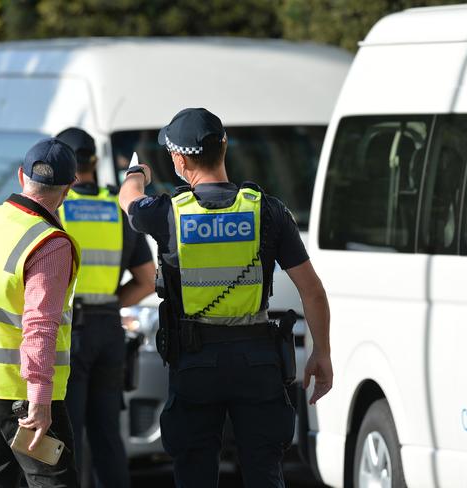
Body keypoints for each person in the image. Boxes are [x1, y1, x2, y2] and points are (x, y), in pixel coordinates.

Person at [119, 108, 333, 488]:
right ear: (225, 146)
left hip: (195, 364)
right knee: (265, 473)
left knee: (194, 473)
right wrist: (321, 353)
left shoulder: (168, 214)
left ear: (179, 159)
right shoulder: (267, 210)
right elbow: (312, 290)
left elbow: (130, 199)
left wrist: (137, 174)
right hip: (258, 363)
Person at [0, 137, 81, 487]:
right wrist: (39, 402)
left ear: (21, 176)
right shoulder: (49, 243)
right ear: (69, 188)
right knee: (53, 482)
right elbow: (40, 325)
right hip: (21, 395)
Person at [56, 127, 155, 488]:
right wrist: (111, 305)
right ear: (94, 163)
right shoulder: (116, 206)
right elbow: (147, 279)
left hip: (70, 332)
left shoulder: (57, 209)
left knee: (68, 435)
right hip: (109, 331)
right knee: (107, 435)